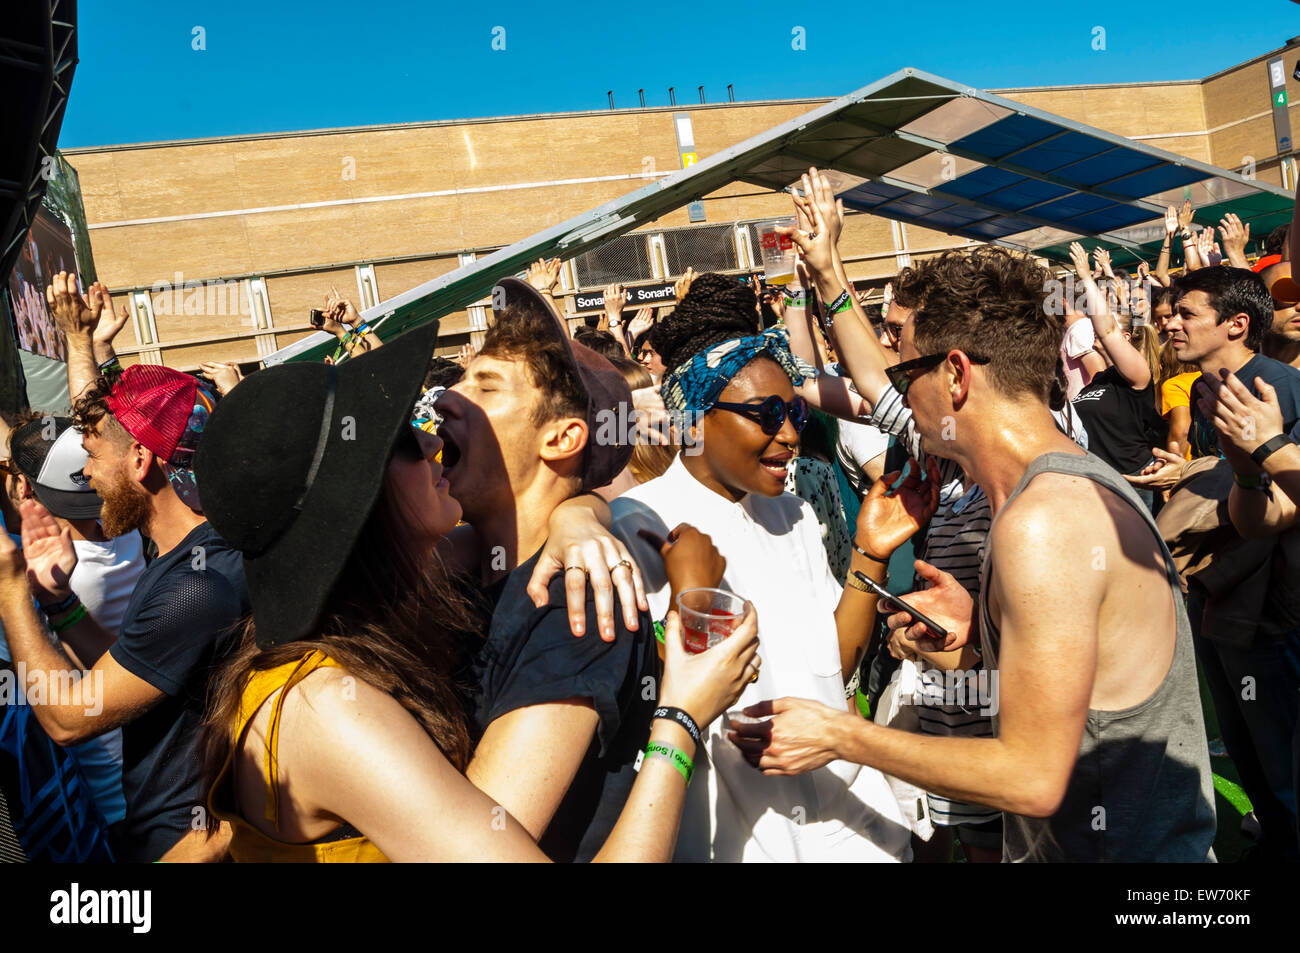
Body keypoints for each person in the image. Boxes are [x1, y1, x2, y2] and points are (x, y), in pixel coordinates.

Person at [197, 320, 758, 861]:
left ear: (562, 437)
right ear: (358, 508)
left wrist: (580, 514)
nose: (433, 417)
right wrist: (681, 717)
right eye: (402, 441)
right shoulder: (328, 704)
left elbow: (560, 524)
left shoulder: (563, 598)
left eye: (485, 384)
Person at [733, 236, 1217, 862]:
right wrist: (976, 640)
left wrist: (839, 734)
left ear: (956, 374)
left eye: (907, 373)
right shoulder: (1058, 486)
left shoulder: (1044, 520)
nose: (901, 397)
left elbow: (1031, 777)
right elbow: (1087, 700)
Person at [611, 278, 936, 862]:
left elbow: (831, 667)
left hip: (852, 832)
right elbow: (664, 698)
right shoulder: (639, 523)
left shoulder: (793, 512)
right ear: (697, 417)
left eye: (792, 410)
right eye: (766, 414)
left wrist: (869, 554)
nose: (789, 433)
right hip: (741, 838)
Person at [0, 358, 246, 861]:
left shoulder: (199, 585)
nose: (85, 475)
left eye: (91, 456)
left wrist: (11, 594)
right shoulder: (183, 554)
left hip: (181, 844)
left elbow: (70, 719)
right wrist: (60, 604)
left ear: (139, 459)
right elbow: (135, 662)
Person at [2, 415, 148, 836]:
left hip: (111, 799)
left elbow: (55, 697)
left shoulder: (62, 578)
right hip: (152, 776)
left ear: (23, 487)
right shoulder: (127, 532)